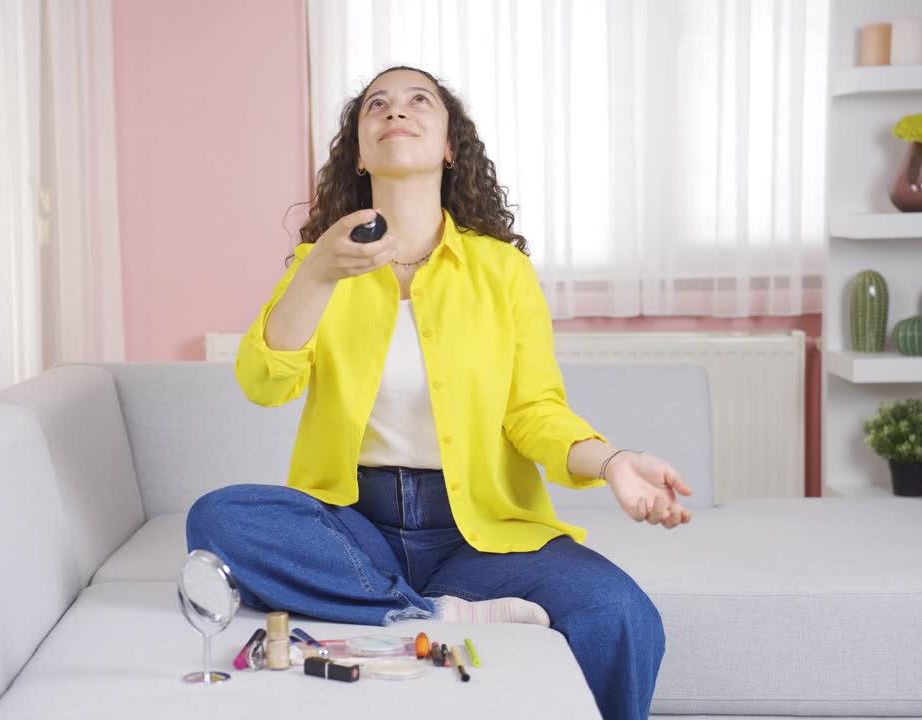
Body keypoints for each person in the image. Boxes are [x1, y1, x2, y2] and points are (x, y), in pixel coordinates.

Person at [187, 65, 694, 720]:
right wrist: (314, 272)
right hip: (353, 527)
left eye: (419, 100)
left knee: (620, 615)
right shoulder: (323, 264)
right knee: (216, 519)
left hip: (477, 536)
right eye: (378, 105)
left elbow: (534, 412)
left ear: (450, 147)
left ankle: (406, 603)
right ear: (362, 152)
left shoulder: (503, 272)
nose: (397, 110)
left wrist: (615, 460)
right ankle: (427, 612)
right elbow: (263, 384)